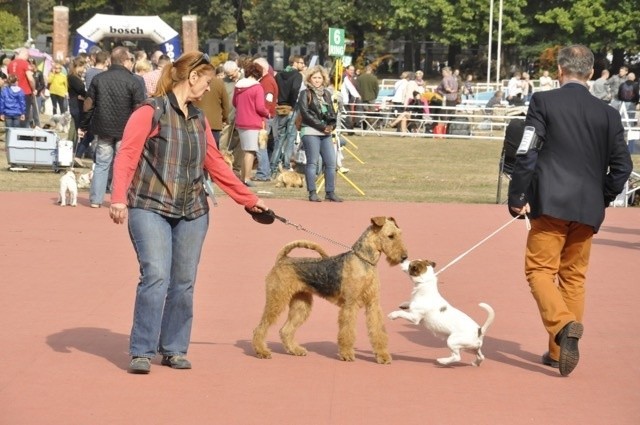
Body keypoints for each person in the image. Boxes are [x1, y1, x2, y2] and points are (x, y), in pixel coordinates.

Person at [108, 51, 268, 374]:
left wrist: (249, 199)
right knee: (156, 275)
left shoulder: (199, 119)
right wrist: (118, 198)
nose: (209, 89)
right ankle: (142, 349)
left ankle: (174, 348)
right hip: (150, 206)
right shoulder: (149, 112)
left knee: (183, 281)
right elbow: (127, 154)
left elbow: (217, 164)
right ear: (192, 77)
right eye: (207, 81)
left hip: (192, 210)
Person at [507, 44, 633, 377]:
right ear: (590, 73)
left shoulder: (543, 101)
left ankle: (563, 328)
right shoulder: (607, 113)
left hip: (550, 204)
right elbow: (623, 167)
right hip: (588, 209)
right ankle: (557, 352)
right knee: (573, 279)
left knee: (539, 272)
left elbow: (528, 150)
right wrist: (601, 196)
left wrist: (518, 194)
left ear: (560, 71)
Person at [80, 47, 146, 208]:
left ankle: (96, 199)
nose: (132, 62)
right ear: (125, 61)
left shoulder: (99, 79)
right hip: (126, 129)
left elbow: (88, 105)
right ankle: (119, 198)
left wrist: (84, 124)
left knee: (102, 163)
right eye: (131, 60)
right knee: (122, 164)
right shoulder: (134, 81)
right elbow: (140, 108)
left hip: (103, 128)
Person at [298, 65, 342, 202]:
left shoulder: (327, 94)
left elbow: (332, 113)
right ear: (309, 79)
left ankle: (330, 192)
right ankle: (312, 192)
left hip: (325, 132)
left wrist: (331, 126)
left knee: (331, 163)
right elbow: (305, 114)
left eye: (319, 78)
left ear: (323, 79)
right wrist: (322, 126)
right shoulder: (305, 94)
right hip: (310, 130)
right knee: (312, 162)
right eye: (314, 77)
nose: (317, 80)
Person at [233, 62, 270, 186]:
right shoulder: (257, 87)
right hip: (252, 122)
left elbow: (234, 102)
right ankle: (247, 178)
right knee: (250, 151)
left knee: (245, 150)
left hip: (240, 121)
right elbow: (260, 107)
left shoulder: (238, 86)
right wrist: (267, 113)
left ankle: (244, 176)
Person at [272, 55, 305, 174]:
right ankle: (286, 165)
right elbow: (295, 89)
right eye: (301, 63)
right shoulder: (297, 75)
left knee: (279, 139)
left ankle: (273, 166)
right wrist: (292, 103)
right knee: (290, 138)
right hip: (291, 108)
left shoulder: (279, 74)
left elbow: (275, 90)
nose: (303, 65)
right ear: (295, 63)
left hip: (280, 108)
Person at [251, 57, 278, 182]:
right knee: (264, 146)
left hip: (265, 117)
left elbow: (268, 100)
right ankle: (265, 171)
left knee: (261, 145)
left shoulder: (267, 82)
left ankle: (263, 173)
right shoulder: (267, 80)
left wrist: (264, 114)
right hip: (267, 116)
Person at [194, 59, 230, 147]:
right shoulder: (219, 83)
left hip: (196, 121)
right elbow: (226, 104)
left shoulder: (194, 81)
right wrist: (225, 118)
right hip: (214, 123)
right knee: (213, 149)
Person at [7, 48, 35, 128]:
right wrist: (33, 89)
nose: (28, 57)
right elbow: (30, 78)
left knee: (12, 113)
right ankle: (22, 135)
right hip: (24, 93)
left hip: (11, 92)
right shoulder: (25, 63)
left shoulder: (10, 64)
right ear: (24, 54)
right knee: (24, 115)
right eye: (27, 55)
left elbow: (9, 78)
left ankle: (12, 132)